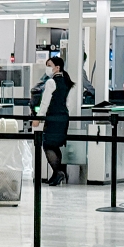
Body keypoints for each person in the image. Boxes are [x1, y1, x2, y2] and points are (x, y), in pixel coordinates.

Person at [33, 56, 74, 186]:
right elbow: (69, 103)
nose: (48, 68)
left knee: (48, 144)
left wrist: (38, 118)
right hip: (63, 117)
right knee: (55, 145)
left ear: (57, 67)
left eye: (49, 65)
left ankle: (58, 172)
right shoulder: (67, 82)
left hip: (53, 116)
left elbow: (45, 102)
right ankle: (56, 174)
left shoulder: (51, 82)